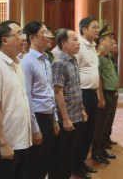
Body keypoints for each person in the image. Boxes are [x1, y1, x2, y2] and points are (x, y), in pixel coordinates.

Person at [0, 20, 32, 179]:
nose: (23, 38)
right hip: (7, 143)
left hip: (21, 139)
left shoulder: (17, 64)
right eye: (18, 34)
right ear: (4, 40)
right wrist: (3, 143)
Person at [21, 21, 59, 179]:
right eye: (44, 33)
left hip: (49, 116)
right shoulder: (27, 61)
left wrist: (55, 118)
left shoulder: (46, 60)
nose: (48, 36)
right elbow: (27, 96)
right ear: (32, 38)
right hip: (37, 116)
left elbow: (50, 91)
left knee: (46, 161)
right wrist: (35, 127)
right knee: (34, 164)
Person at [50, 29, 87, 179]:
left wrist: (82, 109)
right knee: (60, 157)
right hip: (66, 118)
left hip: (76, 115)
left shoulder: (73, 60)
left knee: (69, 155)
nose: (78, 43)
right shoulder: (59, 63)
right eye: (74, 40)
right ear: (64, 43)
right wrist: (65, 119)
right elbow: (58, 92)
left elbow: (76, 88)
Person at [73, 17, 100, 179]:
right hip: (82, 94)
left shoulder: (93, 46)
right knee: (81, 132)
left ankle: (82, 161)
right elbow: (75, 73)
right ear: (84, 30)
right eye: (94, 27)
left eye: (97, 27)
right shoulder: (79, 46)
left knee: (90, 130)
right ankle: (75, 165)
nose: (97, 30)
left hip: (92, 93)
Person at [91, 25, 118, 164]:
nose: (112, 42)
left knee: (106, 124)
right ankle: (96, 153)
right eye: (109, 39)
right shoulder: (99, 56)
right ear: (102, 41)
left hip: (111, 93)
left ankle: (102, 150)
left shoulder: (107, 56)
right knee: (100, 125)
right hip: (105, 93)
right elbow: (98, 78)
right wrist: (100, 96)